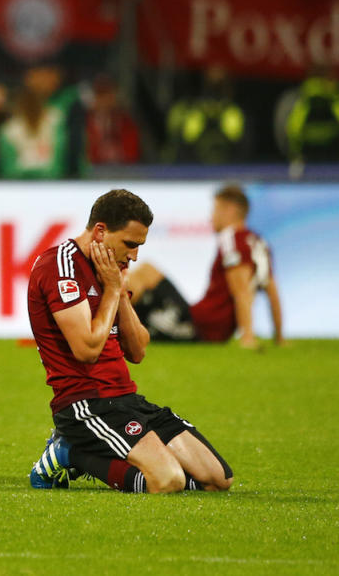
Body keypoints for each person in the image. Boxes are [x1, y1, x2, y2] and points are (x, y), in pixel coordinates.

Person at [26, 189, 233, 493]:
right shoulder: (60, 266)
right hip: (85, 404)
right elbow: (86, 350)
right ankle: (70, 451)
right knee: (167, 481)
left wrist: (120, 291)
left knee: (218, 479)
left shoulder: (112, 271)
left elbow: (137, 350)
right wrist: (111, 289)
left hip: (127, 400)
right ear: (100, 231)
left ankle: (130, 461)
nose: (134, 255)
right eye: (130, 244)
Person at [126, 184, 283, 349]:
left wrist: (247, 337)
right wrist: (279, 337)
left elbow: (242, 291)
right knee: (147, 271)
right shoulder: (257, 242)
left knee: (132, 288)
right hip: (201, 321)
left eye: (215, 210)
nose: (211, 217)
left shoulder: (231, 240)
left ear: (230, 210)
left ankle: (102, 325)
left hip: (199, 328)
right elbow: (272, 292)